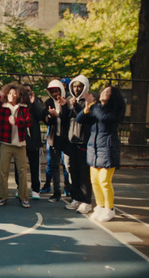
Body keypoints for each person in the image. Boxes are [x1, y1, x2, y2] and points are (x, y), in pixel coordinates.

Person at [76, 86, 125, 222]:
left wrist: (92, 105)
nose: (104, 93)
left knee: (104, 181)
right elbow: (79, 119)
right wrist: (86, 107)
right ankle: (100, 206)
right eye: (103, 90)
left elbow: (104, 118)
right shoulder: (96, 109)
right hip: (94, 149)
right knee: (95, 181)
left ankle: (109, 209)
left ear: (113, 96)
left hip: (108, 149)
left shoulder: (114, 111)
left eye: (108, 92)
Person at [0, 83, 32, 208]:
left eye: (14, 93)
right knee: (3, 171)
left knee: (22, 171)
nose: (12, 95)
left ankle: (24, 197)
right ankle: (2, 197)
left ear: (18, 95)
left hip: (20, 144)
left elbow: (29, 122)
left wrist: (17, 121)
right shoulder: (2, 107)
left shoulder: (23, 107)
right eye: (9, 93)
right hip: (5, 144)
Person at [64, 75, 93, 213]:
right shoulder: (70, 100)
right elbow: (67, 119)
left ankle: (86, 201)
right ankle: (76, 199)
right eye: (74, 86)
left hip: (84, 142)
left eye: (79, 86)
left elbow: (83, 118)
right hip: (72, 141)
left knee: (84, 175)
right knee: (73, 172)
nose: (76, 89)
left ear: (85, 87)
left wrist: (76, 106)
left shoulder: (89, 101)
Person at [14, 84, 44, 200]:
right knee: (19, 166)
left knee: (35, 166)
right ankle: (19, 187)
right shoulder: (17, 104)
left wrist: (33, 103)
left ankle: (36, 189)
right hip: (21, 140)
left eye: (28, 91)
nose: (26, 94)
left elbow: (40, 116)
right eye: (24, 91)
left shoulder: (36, 102)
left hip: (34, 140)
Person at [43, 79, 70, 202]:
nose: (55, 94)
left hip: (67, 139)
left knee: (68, 166)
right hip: (54, 139)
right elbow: (46, 121)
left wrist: (59, 113)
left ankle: (69, 190)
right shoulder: (48, 102)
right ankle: (56, 192)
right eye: (52, 91)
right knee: (54, 166)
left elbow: (69, 118)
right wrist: (50, 116)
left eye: (57, 91)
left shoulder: (68, 101)